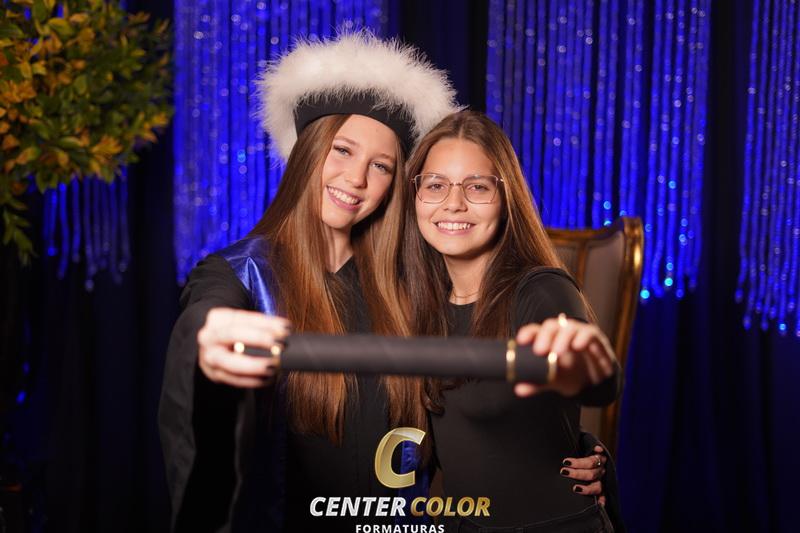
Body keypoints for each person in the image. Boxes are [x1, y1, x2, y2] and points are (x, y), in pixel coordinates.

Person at [400, 110, 623, 532]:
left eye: (477, 187)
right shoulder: (417, 301)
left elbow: (597, 381)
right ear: (415, 196)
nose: (453, 203)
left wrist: (585, 365)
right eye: (435, 185)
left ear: (506, 198)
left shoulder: (542, 291)